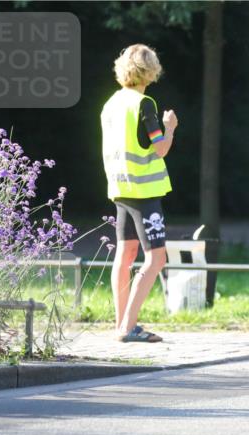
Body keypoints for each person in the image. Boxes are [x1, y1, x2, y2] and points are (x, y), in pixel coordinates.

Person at [100, 44, 178, 343]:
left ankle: (120, 322)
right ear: (151, 70)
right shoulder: (144, 104)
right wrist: (170, 127)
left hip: (120, 187)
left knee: (125, 254)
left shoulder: (111, 104)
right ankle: (129, 327)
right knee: (156, 258)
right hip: (145, 191)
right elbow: (159, 148)